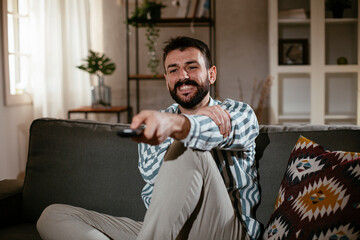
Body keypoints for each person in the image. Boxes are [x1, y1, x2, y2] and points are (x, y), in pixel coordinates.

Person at [37, 36, 260, 240]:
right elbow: (157, 179)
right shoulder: (156, 125)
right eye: (174, 70)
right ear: (166, 79)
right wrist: (176, 124)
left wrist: (184, 124)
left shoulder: (239, 112)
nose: (183, 77)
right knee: (53, 216)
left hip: (223, 231)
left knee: (188, 147)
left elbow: (216, 134)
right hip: (166, 231)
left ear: (211, 74)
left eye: (192, 67)